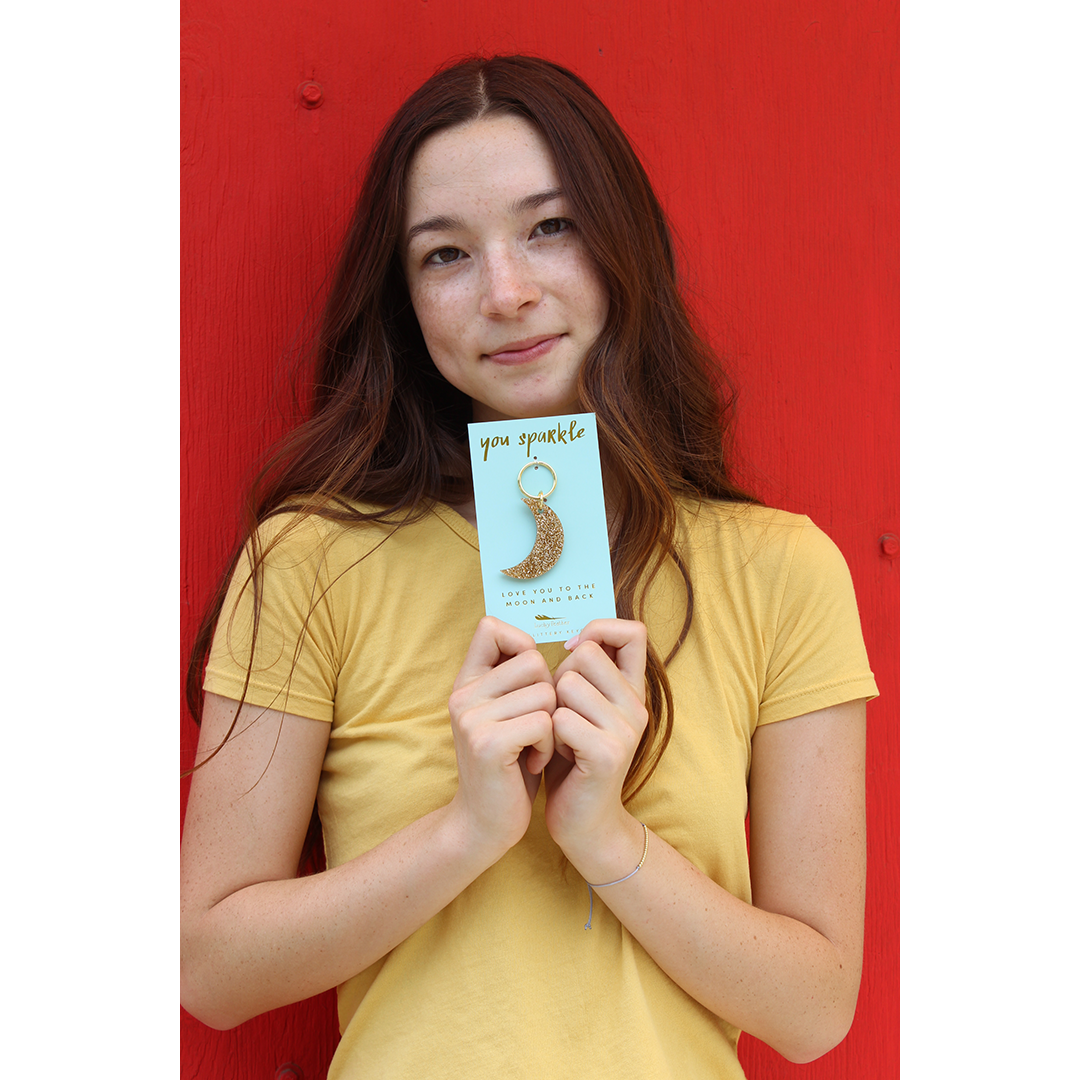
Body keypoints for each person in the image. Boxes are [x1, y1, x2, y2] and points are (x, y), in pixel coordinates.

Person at [180, 55, 878, 1080]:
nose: (505, 293)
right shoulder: (310, 562)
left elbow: (815, 1010)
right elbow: (210, 969)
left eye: (549, 227)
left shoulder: (784, 572)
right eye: (445, 255)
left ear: (620, 242)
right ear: (406, 299)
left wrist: (605, 838)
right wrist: (467, 831)